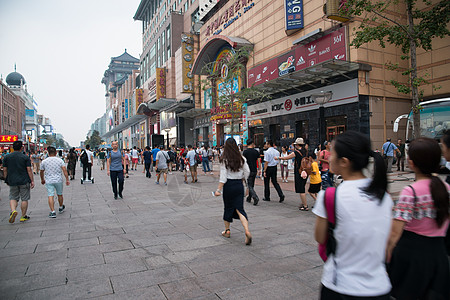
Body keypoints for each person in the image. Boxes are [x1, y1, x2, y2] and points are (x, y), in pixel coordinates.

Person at [313, 131, 392, 299]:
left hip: (340, 285)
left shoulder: (330, 196)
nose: (328, 157)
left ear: (344, 162)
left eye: (332, 153)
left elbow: (320, 237)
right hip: (380, 286)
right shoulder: (384, 196)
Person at [386, 137, 449, 300]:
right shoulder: (446, 188)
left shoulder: (410, 192)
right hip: (439, 255)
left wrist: (387, 257)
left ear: (412, 163)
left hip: (413, 259)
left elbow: (395, 234)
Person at [214, 138, 252, 245]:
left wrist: (218, 190)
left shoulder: (224, 159)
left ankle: (227, 231)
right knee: (240, 209)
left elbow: (223, 177)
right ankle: (247, 231)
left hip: (229, 186)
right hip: (239, 185)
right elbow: (247, 172)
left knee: (228, 207)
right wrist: (244, 181)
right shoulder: (242, 158)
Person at [4, 141, 35, 223]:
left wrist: (6, 178)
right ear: (21, 147)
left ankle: (13, 210)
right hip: (24, 180)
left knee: (13, 197)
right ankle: (23, 216)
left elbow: (5, 169)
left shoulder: (7, 157)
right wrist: (32, 180)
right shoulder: (25, 157)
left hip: (12, 180)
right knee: (24, 198)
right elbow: (29, 170)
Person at [276, 138, 308, 210]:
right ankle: (303, 203)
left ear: (296, 145)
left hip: (299, 171)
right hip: (305, 171)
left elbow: (286, 158)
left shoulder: (296, 152)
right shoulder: (305, 151)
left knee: (301, 189)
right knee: (302, 186)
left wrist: (278, 157)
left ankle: (305, 205)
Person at [39, 146, 70, 218]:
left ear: (48, 153)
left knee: (50, 195)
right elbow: (64, 170)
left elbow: (41, 171)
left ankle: (52, 211)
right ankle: (61, 206)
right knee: (60, 194)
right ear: (56, 152)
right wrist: (67, 179)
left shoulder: (44, 161)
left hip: (49, 180)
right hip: (58, 180)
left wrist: (42, 179)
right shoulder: (60, 160)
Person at [243, 139, 261, 206]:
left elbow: (243, 162)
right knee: (252, 184)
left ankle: (254, 196)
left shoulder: (245, 152)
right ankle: (249, 198)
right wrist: (259, 169)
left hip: (247, 170)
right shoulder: (256, 151)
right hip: (254, 170)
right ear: (252, 143)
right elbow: (259, 161)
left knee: (249, 185)